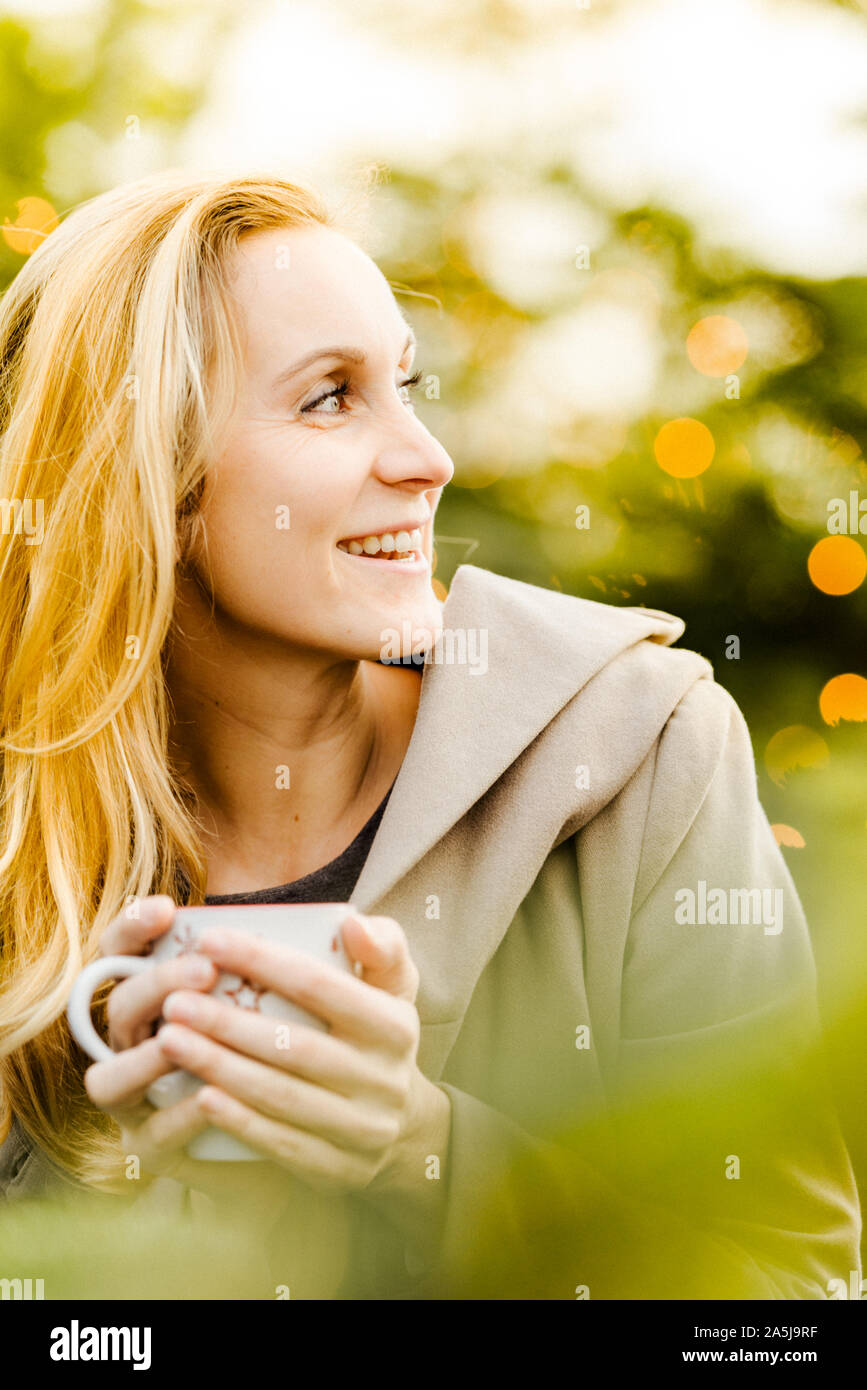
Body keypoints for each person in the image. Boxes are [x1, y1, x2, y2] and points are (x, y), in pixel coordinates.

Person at [0, 169, 859, 1299]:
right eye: (329, 399)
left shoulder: (648, 746)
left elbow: (788, 1308)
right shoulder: (27, 821)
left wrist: (419, 1146)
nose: (427, 458)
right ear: (148, 481)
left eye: (405, 385)